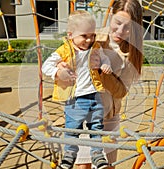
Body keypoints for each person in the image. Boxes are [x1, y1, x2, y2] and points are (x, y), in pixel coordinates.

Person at [57, 0, 143, 168]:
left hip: (107, 118)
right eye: (117, 23)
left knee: (106, 166)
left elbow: (121, 92)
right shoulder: (90, 36)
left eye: (127, 27)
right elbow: (65, 55)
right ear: (110, 16)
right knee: (82, 165)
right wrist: (61, 67)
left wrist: (102, 73)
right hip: (81, 114)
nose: (120, 31)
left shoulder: (132, 53)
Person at [42, 10, 112, 169]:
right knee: (72, 129)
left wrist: (105, 64)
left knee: (97, 127)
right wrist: (58, 72)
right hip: (75, 99)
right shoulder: (64, 50)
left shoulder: (96, 47)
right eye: (84, 36)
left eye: (92, 35)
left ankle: (97, 154)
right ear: (70, 35)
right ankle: (69, 155)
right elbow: (45, 66)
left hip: (94, 95)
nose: (89, 39)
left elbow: (104, 58)